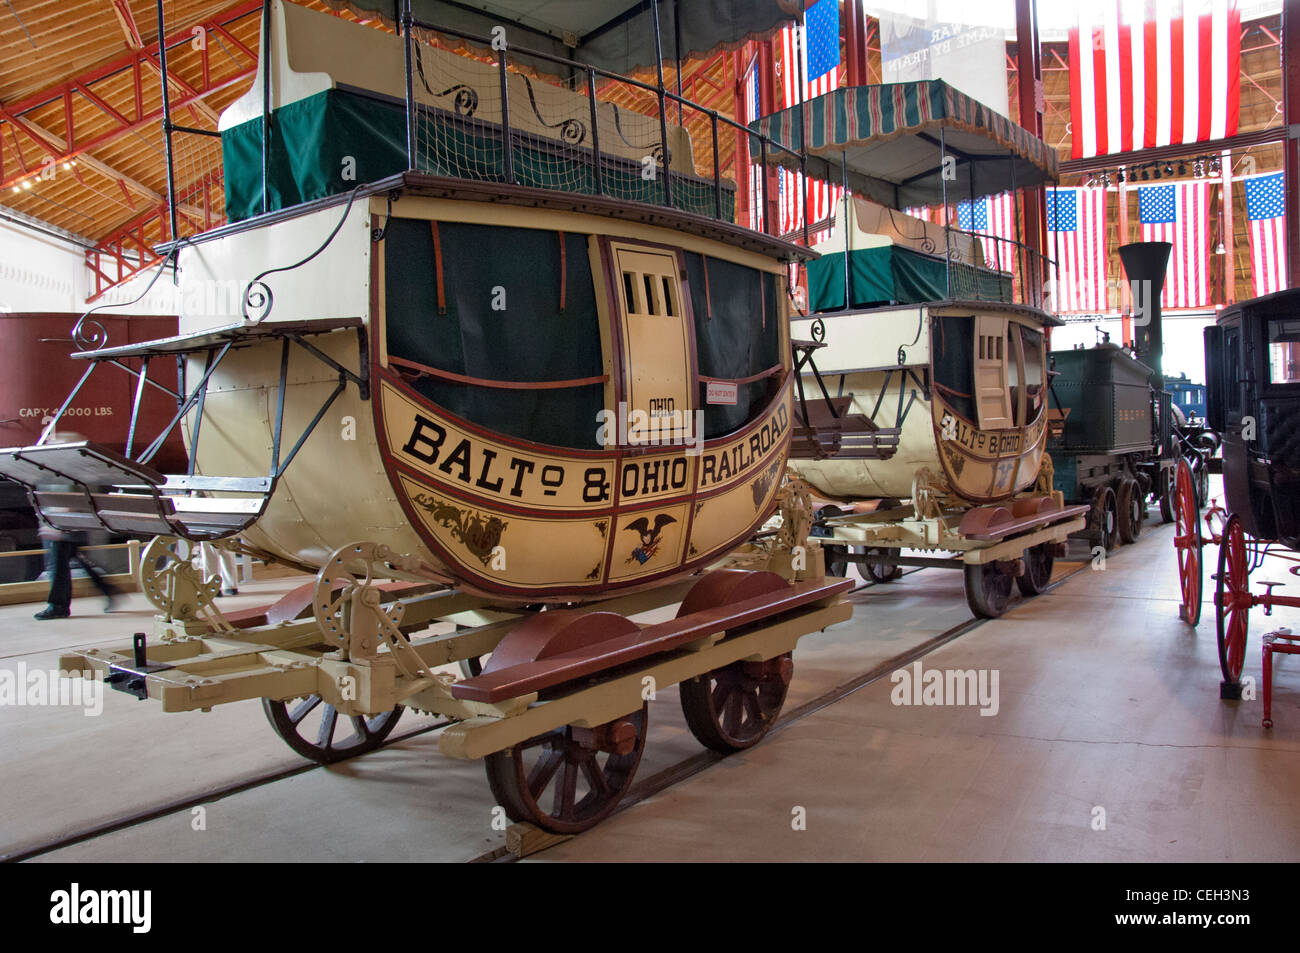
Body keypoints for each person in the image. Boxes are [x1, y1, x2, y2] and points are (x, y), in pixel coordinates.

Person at [35, 520, 119, 620]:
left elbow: (66, 505)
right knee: (80, 565)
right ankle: (108, 590)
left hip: (64, 529)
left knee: (58, 568)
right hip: (72, 528)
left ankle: (58, 606)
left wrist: (56, 527)